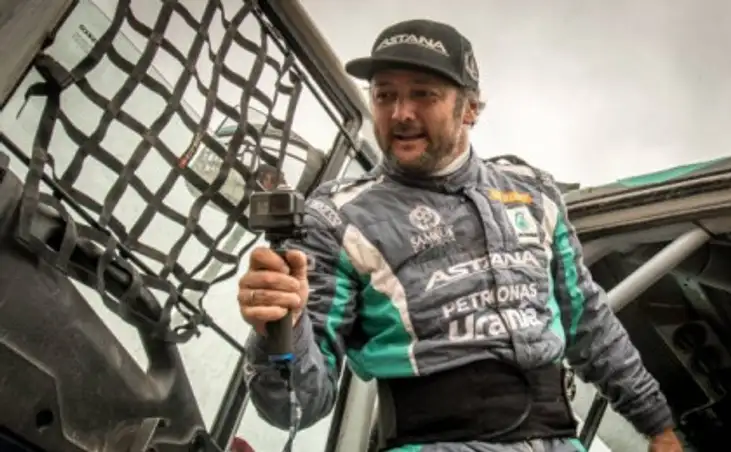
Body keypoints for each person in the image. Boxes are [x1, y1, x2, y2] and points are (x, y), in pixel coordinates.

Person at [239, 18, 683, 452]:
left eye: (423, 94)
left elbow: (589, 323)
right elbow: (294, 408)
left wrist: (658, 425)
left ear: (470, 108)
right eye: (385, 95)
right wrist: (281, 329)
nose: (401, 113)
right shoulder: (336, 217)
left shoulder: (535, 193)